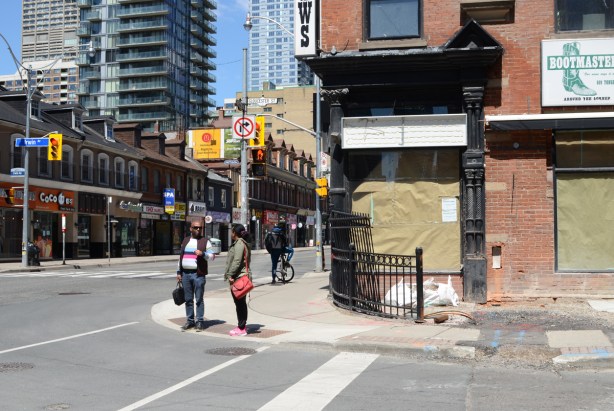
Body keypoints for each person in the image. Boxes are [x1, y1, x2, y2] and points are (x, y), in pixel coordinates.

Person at [176, 220, 215, 331]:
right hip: (185, 275)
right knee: (188, 299)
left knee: (199, 299)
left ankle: (200, 321)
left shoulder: (205, 241)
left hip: (198, 274)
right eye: (196, 227)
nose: (198, 229)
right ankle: (190, 321)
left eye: (200, 228)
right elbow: (181, 257)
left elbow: (212, 256)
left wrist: (202, 254)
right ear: (191, 228)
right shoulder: (185, 240)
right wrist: (179, 272)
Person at [224, 224, 251, 336]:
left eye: (232, 231)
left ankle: (241, 328)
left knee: (240, 304)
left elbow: (237, 261)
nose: (231, 233)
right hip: (240, 277)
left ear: (234, 232)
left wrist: (230, 274)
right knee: (240, 303)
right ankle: (242, 326)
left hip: (239, 278)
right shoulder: (242, 243)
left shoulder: (239, 244)